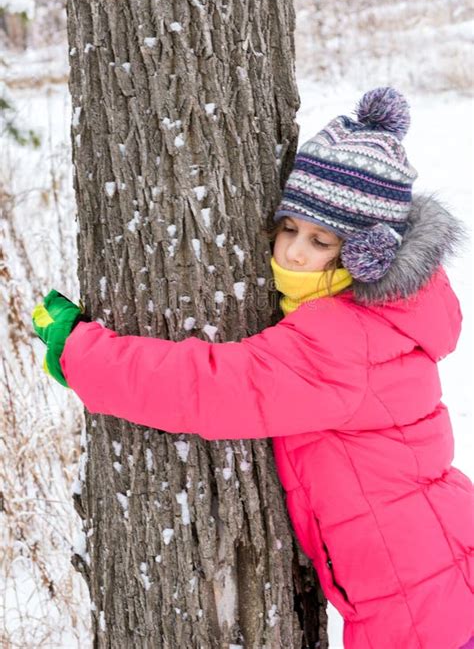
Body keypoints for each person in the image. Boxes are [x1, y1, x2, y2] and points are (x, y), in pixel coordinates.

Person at [32, 87, 474, 649]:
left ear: (367, 256)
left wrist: (79, 352)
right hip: (434, 567)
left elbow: (209, 386)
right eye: (288, 228)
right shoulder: (390, 315)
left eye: (320, 242)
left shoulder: (340, 341)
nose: (292, 252)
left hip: (419, 601)